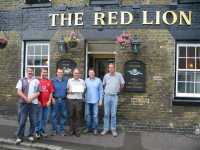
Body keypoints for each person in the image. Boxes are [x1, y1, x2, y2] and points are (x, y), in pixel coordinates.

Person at [15, 67, 40, 144]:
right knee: (22, 121)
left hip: (33, 104)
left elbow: (38, 92)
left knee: (33, 121)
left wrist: (31, 99)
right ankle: (19, 137)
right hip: (23, 104)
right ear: (26, 72)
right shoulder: (21, 80)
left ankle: (30, 135)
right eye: (29, 71)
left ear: (33, 72)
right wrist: (26, 99)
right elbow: (18, 91)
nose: (30, 72)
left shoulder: (36, 81)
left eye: (31, 71)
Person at [101, 63, 125, 137]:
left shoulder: (119, 75)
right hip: (107, 96)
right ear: (108, 69)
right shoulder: (106, 76)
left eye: (112, 67)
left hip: (114, 96)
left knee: (113, 114)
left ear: (114, 68)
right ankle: (105, 129)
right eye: (109, 68)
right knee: (106, 113)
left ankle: (113, 129)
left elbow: (122, 84)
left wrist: (118, 90)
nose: (111, 69)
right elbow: (104, 85)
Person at [35, 68, 54, 138]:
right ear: (41, 73)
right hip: (39, 103)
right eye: (43, 72)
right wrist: (38, 101)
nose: (45, 74)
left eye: (46, 72)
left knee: (45, 118)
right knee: (39, 118)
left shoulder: (49, 81)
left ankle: (42, 131)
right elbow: (35, 92)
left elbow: (51, 92)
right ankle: (37, 131)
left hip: (47, 104)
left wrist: (49, 101)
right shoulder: (37, 82)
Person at [67, 68, 85, 137]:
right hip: (71, 100)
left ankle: (77, 131)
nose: (76, 74)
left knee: (78, 116)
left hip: (78, 100)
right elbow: (67, 91)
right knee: (71, 115)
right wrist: (70, 91)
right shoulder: (69, 80)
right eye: (75, 73)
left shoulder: (82, 81)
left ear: (79, 74)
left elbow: (83, 90)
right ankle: (71, 130)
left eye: (77, 73)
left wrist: (76, 89)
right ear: (73, 74)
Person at [84, 68, 103, 135]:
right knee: (88, 115)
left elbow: (101, 91)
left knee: (95, 115)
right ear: (88, 74)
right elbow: (83, 90)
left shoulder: (98, 80)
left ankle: (95, 129)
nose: (91, 74)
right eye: (90, 73)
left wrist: (100, 100)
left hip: (95, 101)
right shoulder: (86, 81)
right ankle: (88, 128)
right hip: (87, 101)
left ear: (94, 73)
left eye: (92, 72)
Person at [51, 68, 68, 136]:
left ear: (63, 73)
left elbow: (68, 89)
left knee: (63, 115)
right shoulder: (53, 81)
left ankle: (62, 130)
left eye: (61, 72)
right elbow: (50, 91)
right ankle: (54, 130)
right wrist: (52, 98)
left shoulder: (66, 81)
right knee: (54, 115)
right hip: (56, 100)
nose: (60, 73)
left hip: (63, 100)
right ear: (56, 73)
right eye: (59, 72)